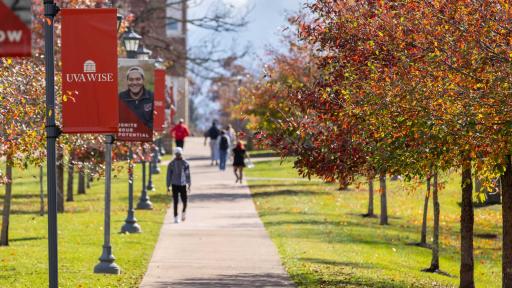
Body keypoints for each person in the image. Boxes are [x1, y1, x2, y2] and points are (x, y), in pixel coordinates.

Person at [166, 147, 191, 223]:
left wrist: (189, 183)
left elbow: (188, 174)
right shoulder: (171, 164)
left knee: (185, 201)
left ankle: (183, 212)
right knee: (175, 202)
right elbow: (168, 175)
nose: (178, 156)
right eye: (176, 154)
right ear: (175, 154)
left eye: (179, 154)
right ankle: (175, 217)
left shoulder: (185, 163)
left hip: (183, 184)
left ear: (181, 154)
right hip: (174, 184)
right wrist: (168, 185)